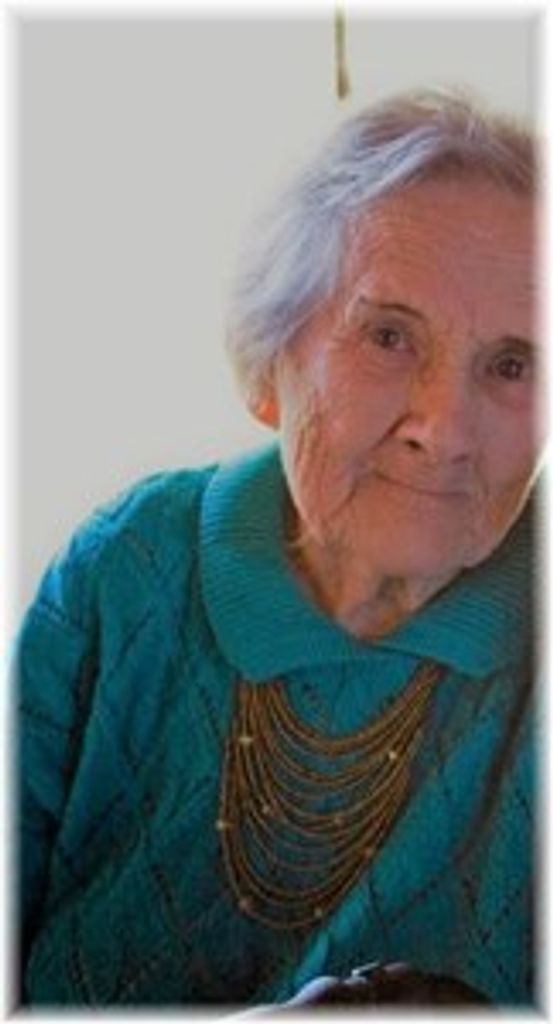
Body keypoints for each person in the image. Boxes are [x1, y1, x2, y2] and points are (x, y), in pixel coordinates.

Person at [16, 90, 538, 1009]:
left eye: (511, 365)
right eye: (388, 336)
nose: (445, 429)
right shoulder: (127, 568)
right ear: (269, 363)